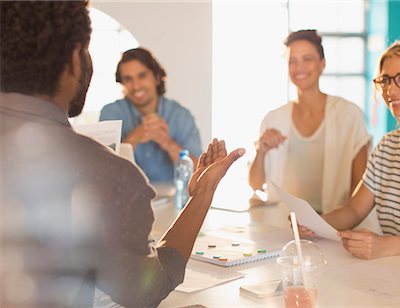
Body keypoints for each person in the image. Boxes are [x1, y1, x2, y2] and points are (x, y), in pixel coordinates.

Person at [0, 2, 244, 307]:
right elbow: (148, 289)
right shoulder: (108, 174)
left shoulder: (177, 115)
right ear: (77, 60)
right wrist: (204, 191)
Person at [302, 41, 400, 271]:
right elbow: (354, 210)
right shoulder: (387, 147)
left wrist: (388, 246)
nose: (391, 89)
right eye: (385, 80)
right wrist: (314, 224)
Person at [249, 30, 371, 214]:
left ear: (322, 64)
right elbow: (256, 185)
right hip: (283, 224)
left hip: (334, 223)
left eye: (307, 59)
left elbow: (361, 187)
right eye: (292, 61)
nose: (299, 68)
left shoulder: (349, 115)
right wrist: (261, 151)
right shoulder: (273, 119)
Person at [99, 47, 202, 183]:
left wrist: (166, 142)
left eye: (142, 76)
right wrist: (134, 138)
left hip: (173, 201)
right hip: (126, 198)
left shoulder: (180, 116)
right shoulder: (111, 113)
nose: (136, 86)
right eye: (128, 79)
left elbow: (199, 173)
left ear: (157, 78)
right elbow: (102, 170)